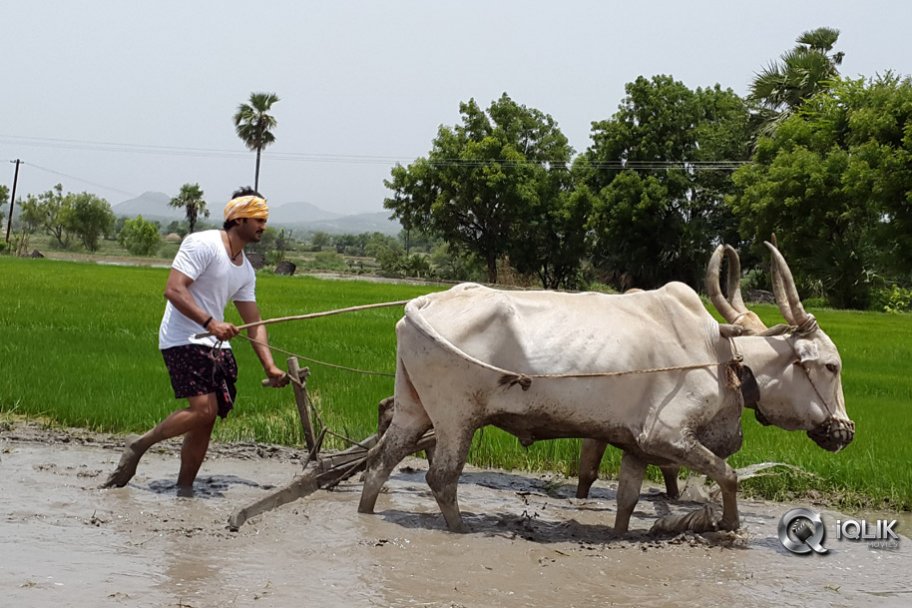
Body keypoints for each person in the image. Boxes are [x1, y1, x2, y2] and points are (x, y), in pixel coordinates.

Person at [102, 187, 288, 492]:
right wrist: (211, 323)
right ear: (238, 218)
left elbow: (254, 323)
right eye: (258, 219)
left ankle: (185, 488)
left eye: (264, 220)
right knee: (203, 410)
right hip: (183, 337)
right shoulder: (202, 244)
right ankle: (140, 444)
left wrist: (270, 366)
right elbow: (174, 289)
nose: (263, 226)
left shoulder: (245, 270)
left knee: (206, 421)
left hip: (215, 344)